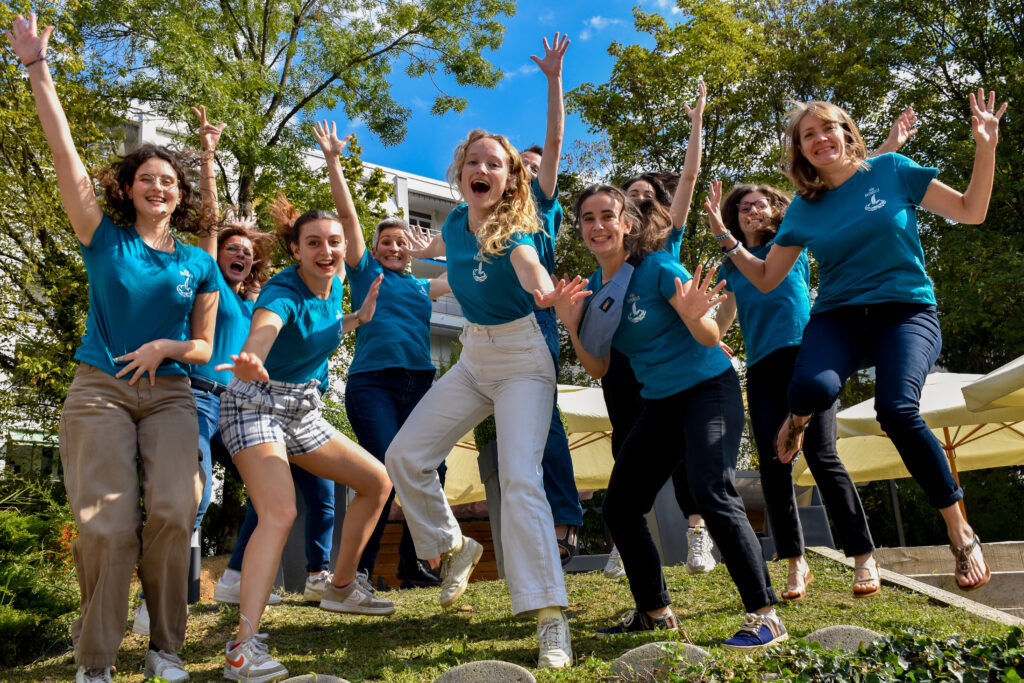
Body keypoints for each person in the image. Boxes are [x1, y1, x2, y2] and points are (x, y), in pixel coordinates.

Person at [715, 91, 1007, 593]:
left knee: (896, 410)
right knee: (806, 389)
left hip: (906, 310)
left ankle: (959, 529)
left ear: (846, 132)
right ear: (800, 152)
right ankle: (801, 416)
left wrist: (985, 149)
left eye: (826, 128)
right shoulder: (803, 211)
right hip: (841, 317)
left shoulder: (891, 169)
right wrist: (727, 241)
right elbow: (765, 278)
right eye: (808, 136)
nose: (819, 139)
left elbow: (971, 210)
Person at [7, 15, 219, 683]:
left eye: (172, 182)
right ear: (129, 188)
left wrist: (167, 344)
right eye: (148, 178)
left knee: (172, 511)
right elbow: (65, 156)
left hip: (170, 395)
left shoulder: (198, 263)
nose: (160, 186)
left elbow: (204, 344)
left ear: (183, 197)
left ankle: (164, 647)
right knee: (105, 527)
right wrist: (39, 69)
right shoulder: (103, 237)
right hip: (98, 388)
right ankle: (94, 660)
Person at [386, 127, 588, 669]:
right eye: (473, 162)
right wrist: (417, 250)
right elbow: (443, 256)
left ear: (509, 177)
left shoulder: (518, 235)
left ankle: (550, 617)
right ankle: (456, 547)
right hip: (474, 356)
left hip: (524, 360)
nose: (482, 169)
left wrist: (549, 296)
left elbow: (533, 275)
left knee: (522, 478)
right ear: (461, 174)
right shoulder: (454, 222)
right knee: (404, 457)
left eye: (494, 164)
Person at [557, 182, 787, 651]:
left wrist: (695, 312)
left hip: (708, 391)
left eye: (608, 216)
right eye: (588, 219)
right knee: (620, 507)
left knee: (710, 489)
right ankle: (655, 613)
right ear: (581, 230)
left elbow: (707, 338)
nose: (598, 226)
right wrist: (570, 323)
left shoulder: (659, 266)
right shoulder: (598, 290)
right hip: (660, 403)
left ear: (627, 223)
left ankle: (765, 615)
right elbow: (598, 367)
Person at [704, 108, 918, 601]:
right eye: (744, 207)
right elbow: (720, 321)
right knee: (773, 464)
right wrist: (701, 326)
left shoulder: (792, 238)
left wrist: (888, 145)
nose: (753, 210)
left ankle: (863, 557)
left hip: (808, 356)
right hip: (760, 368)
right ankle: (795, 562)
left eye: (760, 205)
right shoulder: (733, 266)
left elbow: (848, 189)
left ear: (775, 211)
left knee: (822, 456)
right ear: (734, 218)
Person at [216, 195, 393, 683]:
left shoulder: (334, 285)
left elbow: (324, 327)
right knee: (280, 511)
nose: (327, 250)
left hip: (302, 408)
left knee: (377, 482)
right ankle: (242, 647)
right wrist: (252, 357)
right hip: (254, 402)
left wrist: (359, 319)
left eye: (333, 242)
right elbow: (267, 325)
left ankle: (339, 587)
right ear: (296, 249)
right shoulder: (282, 290)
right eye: (313, 243)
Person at [311, 119, 452, 589]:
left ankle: (417, 566)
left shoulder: (422, 286)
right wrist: (334, 162)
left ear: (410, 250)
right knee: (384, 471)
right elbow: (348, 219)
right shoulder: (364, 271)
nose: (394, 247)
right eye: (385, 241)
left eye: (400, 242)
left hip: (420, 385)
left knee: (431, 466)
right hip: (374, 383)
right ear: (373, 250)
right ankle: (361, 571)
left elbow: (474, 269)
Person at [603, 84, 717, 579]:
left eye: (647, 197)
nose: (638, 203)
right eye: (629, 198)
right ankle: (625, 539)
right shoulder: (608, 247)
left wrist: (695, 123)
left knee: (682, 448)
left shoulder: (669, 235)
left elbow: (690, 174)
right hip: (623, 353)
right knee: (626, 444)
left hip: (668, 355)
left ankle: (698, 532)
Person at [517, 32, 584, 565]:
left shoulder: (540, 204)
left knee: (546, 422)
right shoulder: (485, 213)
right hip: (488, 330)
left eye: (533, 164)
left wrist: (555, 81)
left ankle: (565, 524)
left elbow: (555, 144)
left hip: (535, 318)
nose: (528, 169)